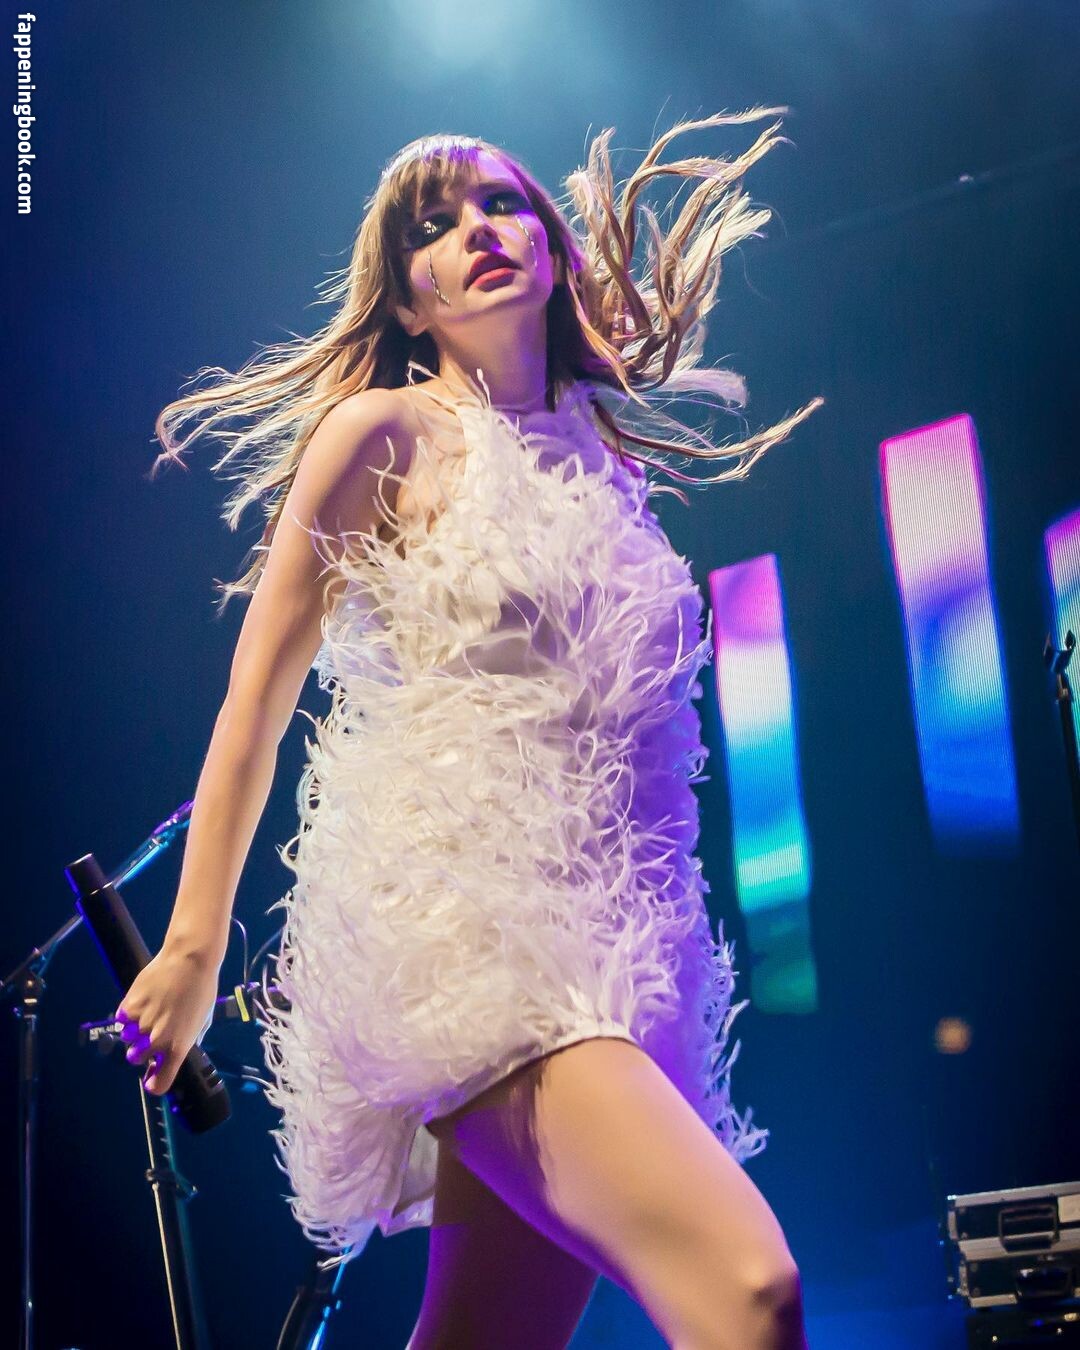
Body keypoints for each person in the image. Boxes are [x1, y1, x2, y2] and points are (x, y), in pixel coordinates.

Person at [115, 109, 821, 1349]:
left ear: (549, 244)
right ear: (406, 300)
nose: (477, 231)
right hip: (472, 948)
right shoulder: (383, 436)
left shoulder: (601, 461)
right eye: (434, 228)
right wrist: (190, 947)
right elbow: (255, 703)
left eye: (500, 204)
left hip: (618, 957)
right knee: (750, 1289)